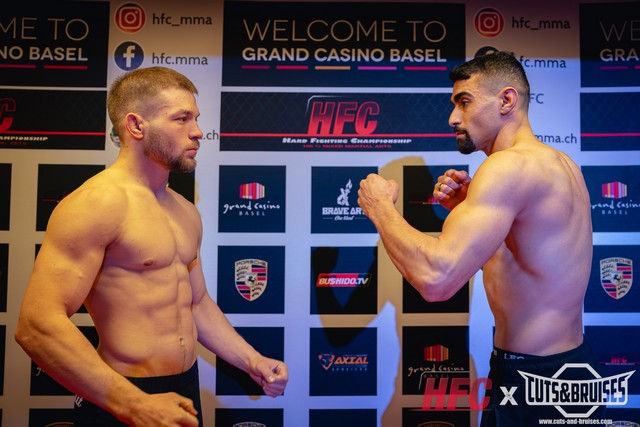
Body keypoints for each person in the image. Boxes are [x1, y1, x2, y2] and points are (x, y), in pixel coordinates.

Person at [15, 66, 288, 427]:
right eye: (181, 119)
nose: (197, 131)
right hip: (121, 396)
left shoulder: (185, 210)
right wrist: (134, 404)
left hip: (184, 387)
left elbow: (196, 303)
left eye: (196, 119)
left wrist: (251, 360)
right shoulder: (95, 204)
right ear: (136, 125)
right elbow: (36, 324)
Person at [357, 52, 604, 425]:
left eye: (465, 102)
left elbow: (436, 279)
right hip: (567, 369)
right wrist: (464, 208)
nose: (453, 118)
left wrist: (380, 208)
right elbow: (531, 259)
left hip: (535, 377)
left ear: (506, 100)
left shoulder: (507, 166)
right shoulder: (561, 163)